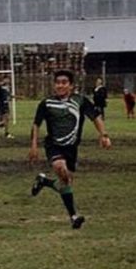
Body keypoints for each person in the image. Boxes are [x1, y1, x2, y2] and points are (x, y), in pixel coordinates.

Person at [28, 69, 112, 229]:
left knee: (65, 183)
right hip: (54, 146)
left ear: (71, 85)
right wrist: (34, 145)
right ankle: (74, 216)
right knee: (60, 168)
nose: (60, 85)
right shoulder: (46, 103)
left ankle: (44, 181)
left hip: (72, 148)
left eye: (64, 82)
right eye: (57, 82)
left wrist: (104, 135)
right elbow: (36, 124)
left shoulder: (80, 101)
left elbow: (95, 117)